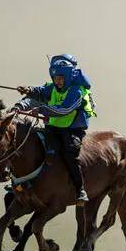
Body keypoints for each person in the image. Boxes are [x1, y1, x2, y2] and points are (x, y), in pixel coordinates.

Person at [16, 55, 96, 205]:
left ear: (67, 76)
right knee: (40, 150)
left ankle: (80, 190)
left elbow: (64, 110)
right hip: (52, 128)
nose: (57, 81)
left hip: (72, 130)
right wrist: (28, 90)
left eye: (60, 78)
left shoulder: (76, 91)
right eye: (55, 78)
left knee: (69, 154)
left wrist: (40, 109)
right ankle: (26, 183)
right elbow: (39, 92)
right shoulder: (52, 87)